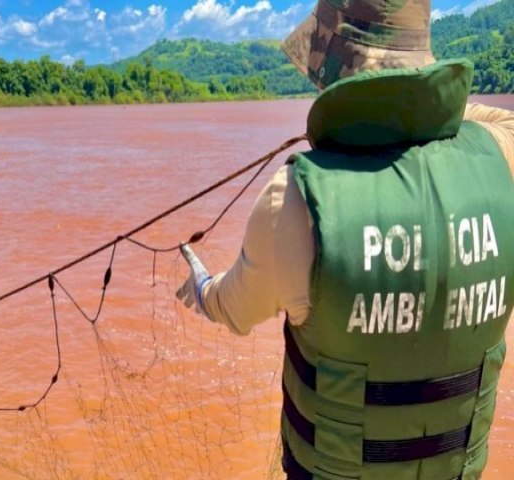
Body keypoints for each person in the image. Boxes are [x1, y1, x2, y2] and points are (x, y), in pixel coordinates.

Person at [176, 0, 514, 478]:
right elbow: (491, 122)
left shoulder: (294, 199)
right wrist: (429, 107)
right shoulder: (502, 162)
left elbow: (233, 308)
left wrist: (202, 287)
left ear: (335, 66)